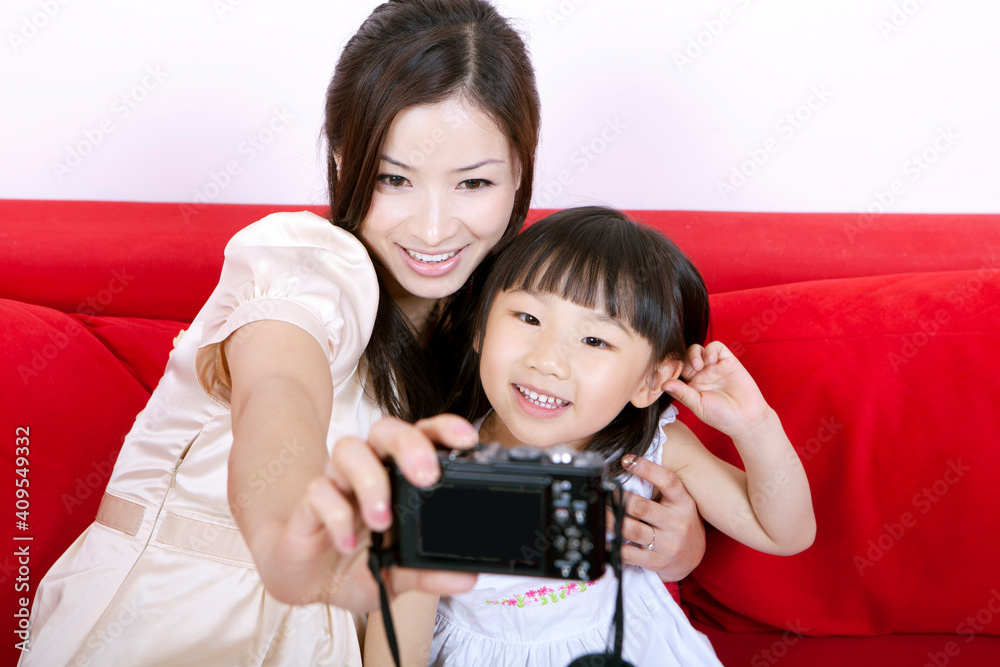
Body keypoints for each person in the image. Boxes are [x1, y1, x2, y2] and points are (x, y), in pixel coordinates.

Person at [20, 3, 706, 666]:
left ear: (520, 172)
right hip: (179, 622)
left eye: (472, 183)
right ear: (346, 162)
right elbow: (279, 385)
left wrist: (666, 545)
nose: (433, 228)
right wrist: (280, 530)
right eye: (393, 178)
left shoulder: (512, 332)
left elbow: (497, 545)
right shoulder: (307, 260)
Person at [363, 207, 817, 666]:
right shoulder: (432, 468)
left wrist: (754, 425)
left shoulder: (652, 453)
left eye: (595, 341)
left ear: (652, 380)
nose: (548, 361)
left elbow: (784, 533)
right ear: (480, 325)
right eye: (528, 317)